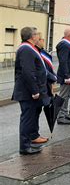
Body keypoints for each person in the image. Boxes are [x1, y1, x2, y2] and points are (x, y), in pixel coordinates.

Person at [12, 27, 47, 155]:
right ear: (32, 37)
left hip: (30, 91)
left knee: (31, 117)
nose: (39, 36)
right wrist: (34, 90)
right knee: (27, 118)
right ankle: (25, 147)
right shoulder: (26, 49)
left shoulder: (29, 48)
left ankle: (31, 140)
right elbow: (28, 72)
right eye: (37, 34)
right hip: (28, 92)